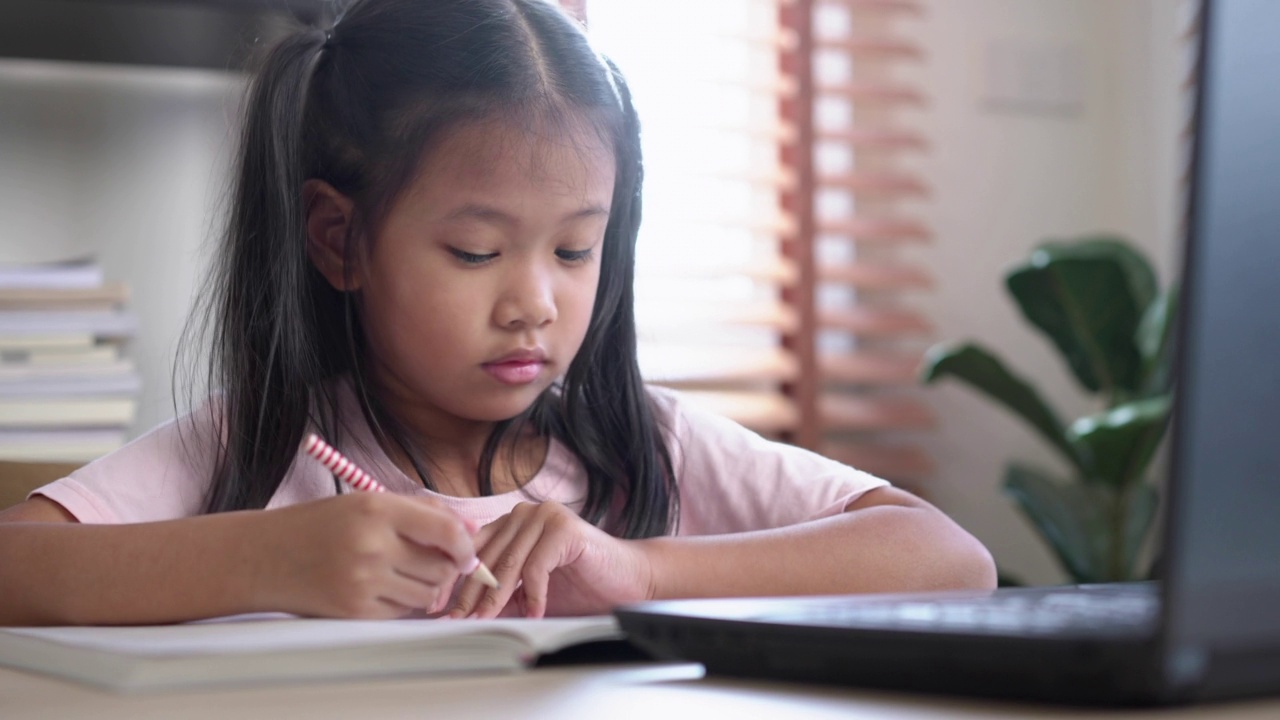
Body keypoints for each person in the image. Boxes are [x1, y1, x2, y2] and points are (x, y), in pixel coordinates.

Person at [0, 0, 995, 626]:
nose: (534, 303)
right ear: (338, 240)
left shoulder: (642, 443)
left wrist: (635, 569)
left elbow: (952, 562)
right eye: (475, 252)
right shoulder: (255, 446)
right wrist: (265, 558)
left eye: (574, 249)